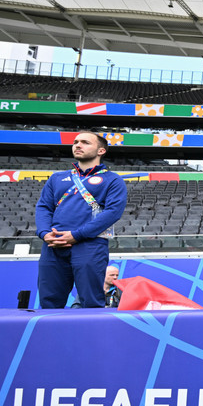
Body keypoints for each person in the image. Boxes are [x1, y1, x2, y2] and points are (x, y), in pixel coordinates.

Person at [35, 132, 127, 308]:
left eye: (85, 142)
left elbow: (113, 212)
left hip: (89, 245)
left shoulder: (113, 180)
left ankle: (90, 336)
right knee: (49, 303)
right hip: (53, 245)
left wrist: (77, 235)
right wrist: (45, 233)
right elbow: (43, 207)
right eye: (76, 142)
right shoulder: (56, 178)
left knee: (91, 302)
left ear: (101, 150)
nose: (78, 145)